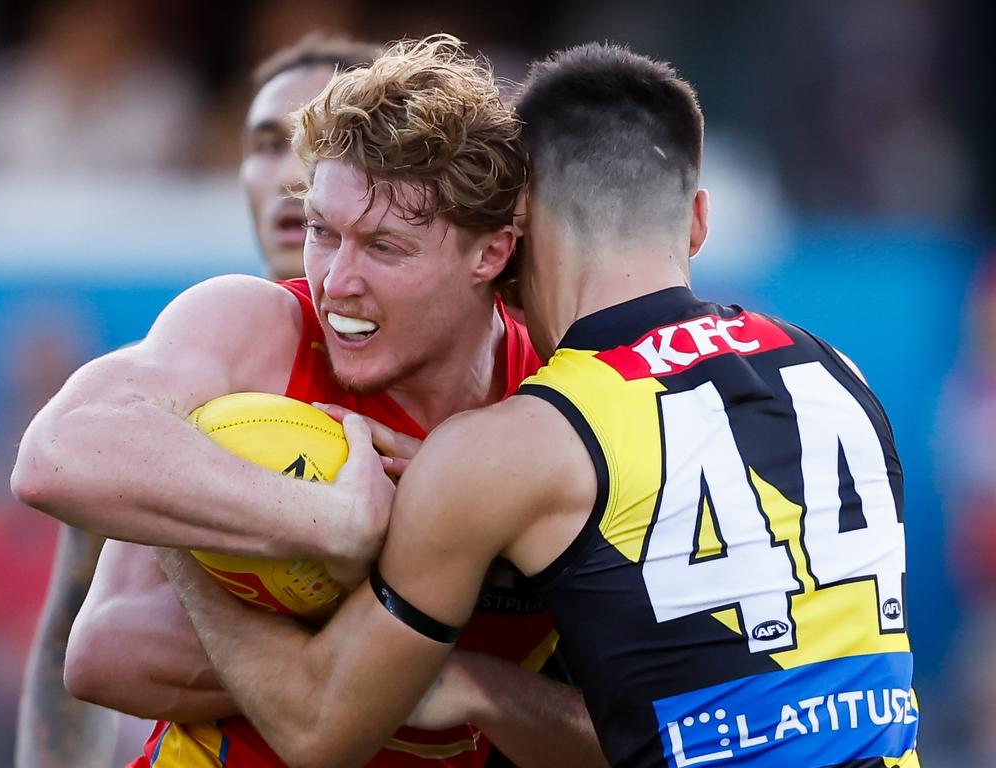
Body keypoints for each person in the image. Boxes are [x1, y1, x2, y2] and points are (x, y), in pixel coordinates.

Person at [151, 42, 920, 768]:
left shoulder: (522, 439)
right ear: (697, 221)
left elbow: (319, 729)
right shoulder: (839, 374)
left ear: (513, 230)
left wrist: (182, 537)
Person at [12, 35, 604, 768]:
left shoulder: (561, 387)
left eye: (384, 248)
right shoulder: (257, 328)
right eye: (323, 232)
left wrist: (468, 678)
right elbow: (57, 473)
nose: (336, 282)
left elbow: (638, 731)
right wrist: (324, 523)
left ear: (489, 253)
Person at [13, 30, 379, 768]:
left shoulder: (470, 371)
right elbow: (77, 654)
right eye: (266, 143)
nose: (288, 172)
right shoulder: (138, 402)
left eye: (319, 139)